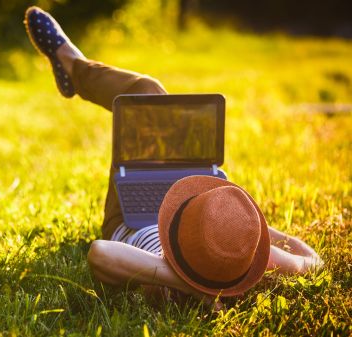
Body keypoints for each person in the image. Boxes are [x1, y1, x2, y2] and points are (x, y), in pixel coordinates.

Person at [23, 6, 323, 306]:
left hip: (131, 217)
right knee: (155, 102)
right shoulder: (241, 259)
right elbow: (312, 262)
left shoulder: (158, 267)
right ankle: (76, 68)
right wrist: (246, 227)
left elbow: (101, 253)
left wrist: (189, 286)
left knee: (146, 93)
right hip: (192, 210)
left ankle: (73, 65)